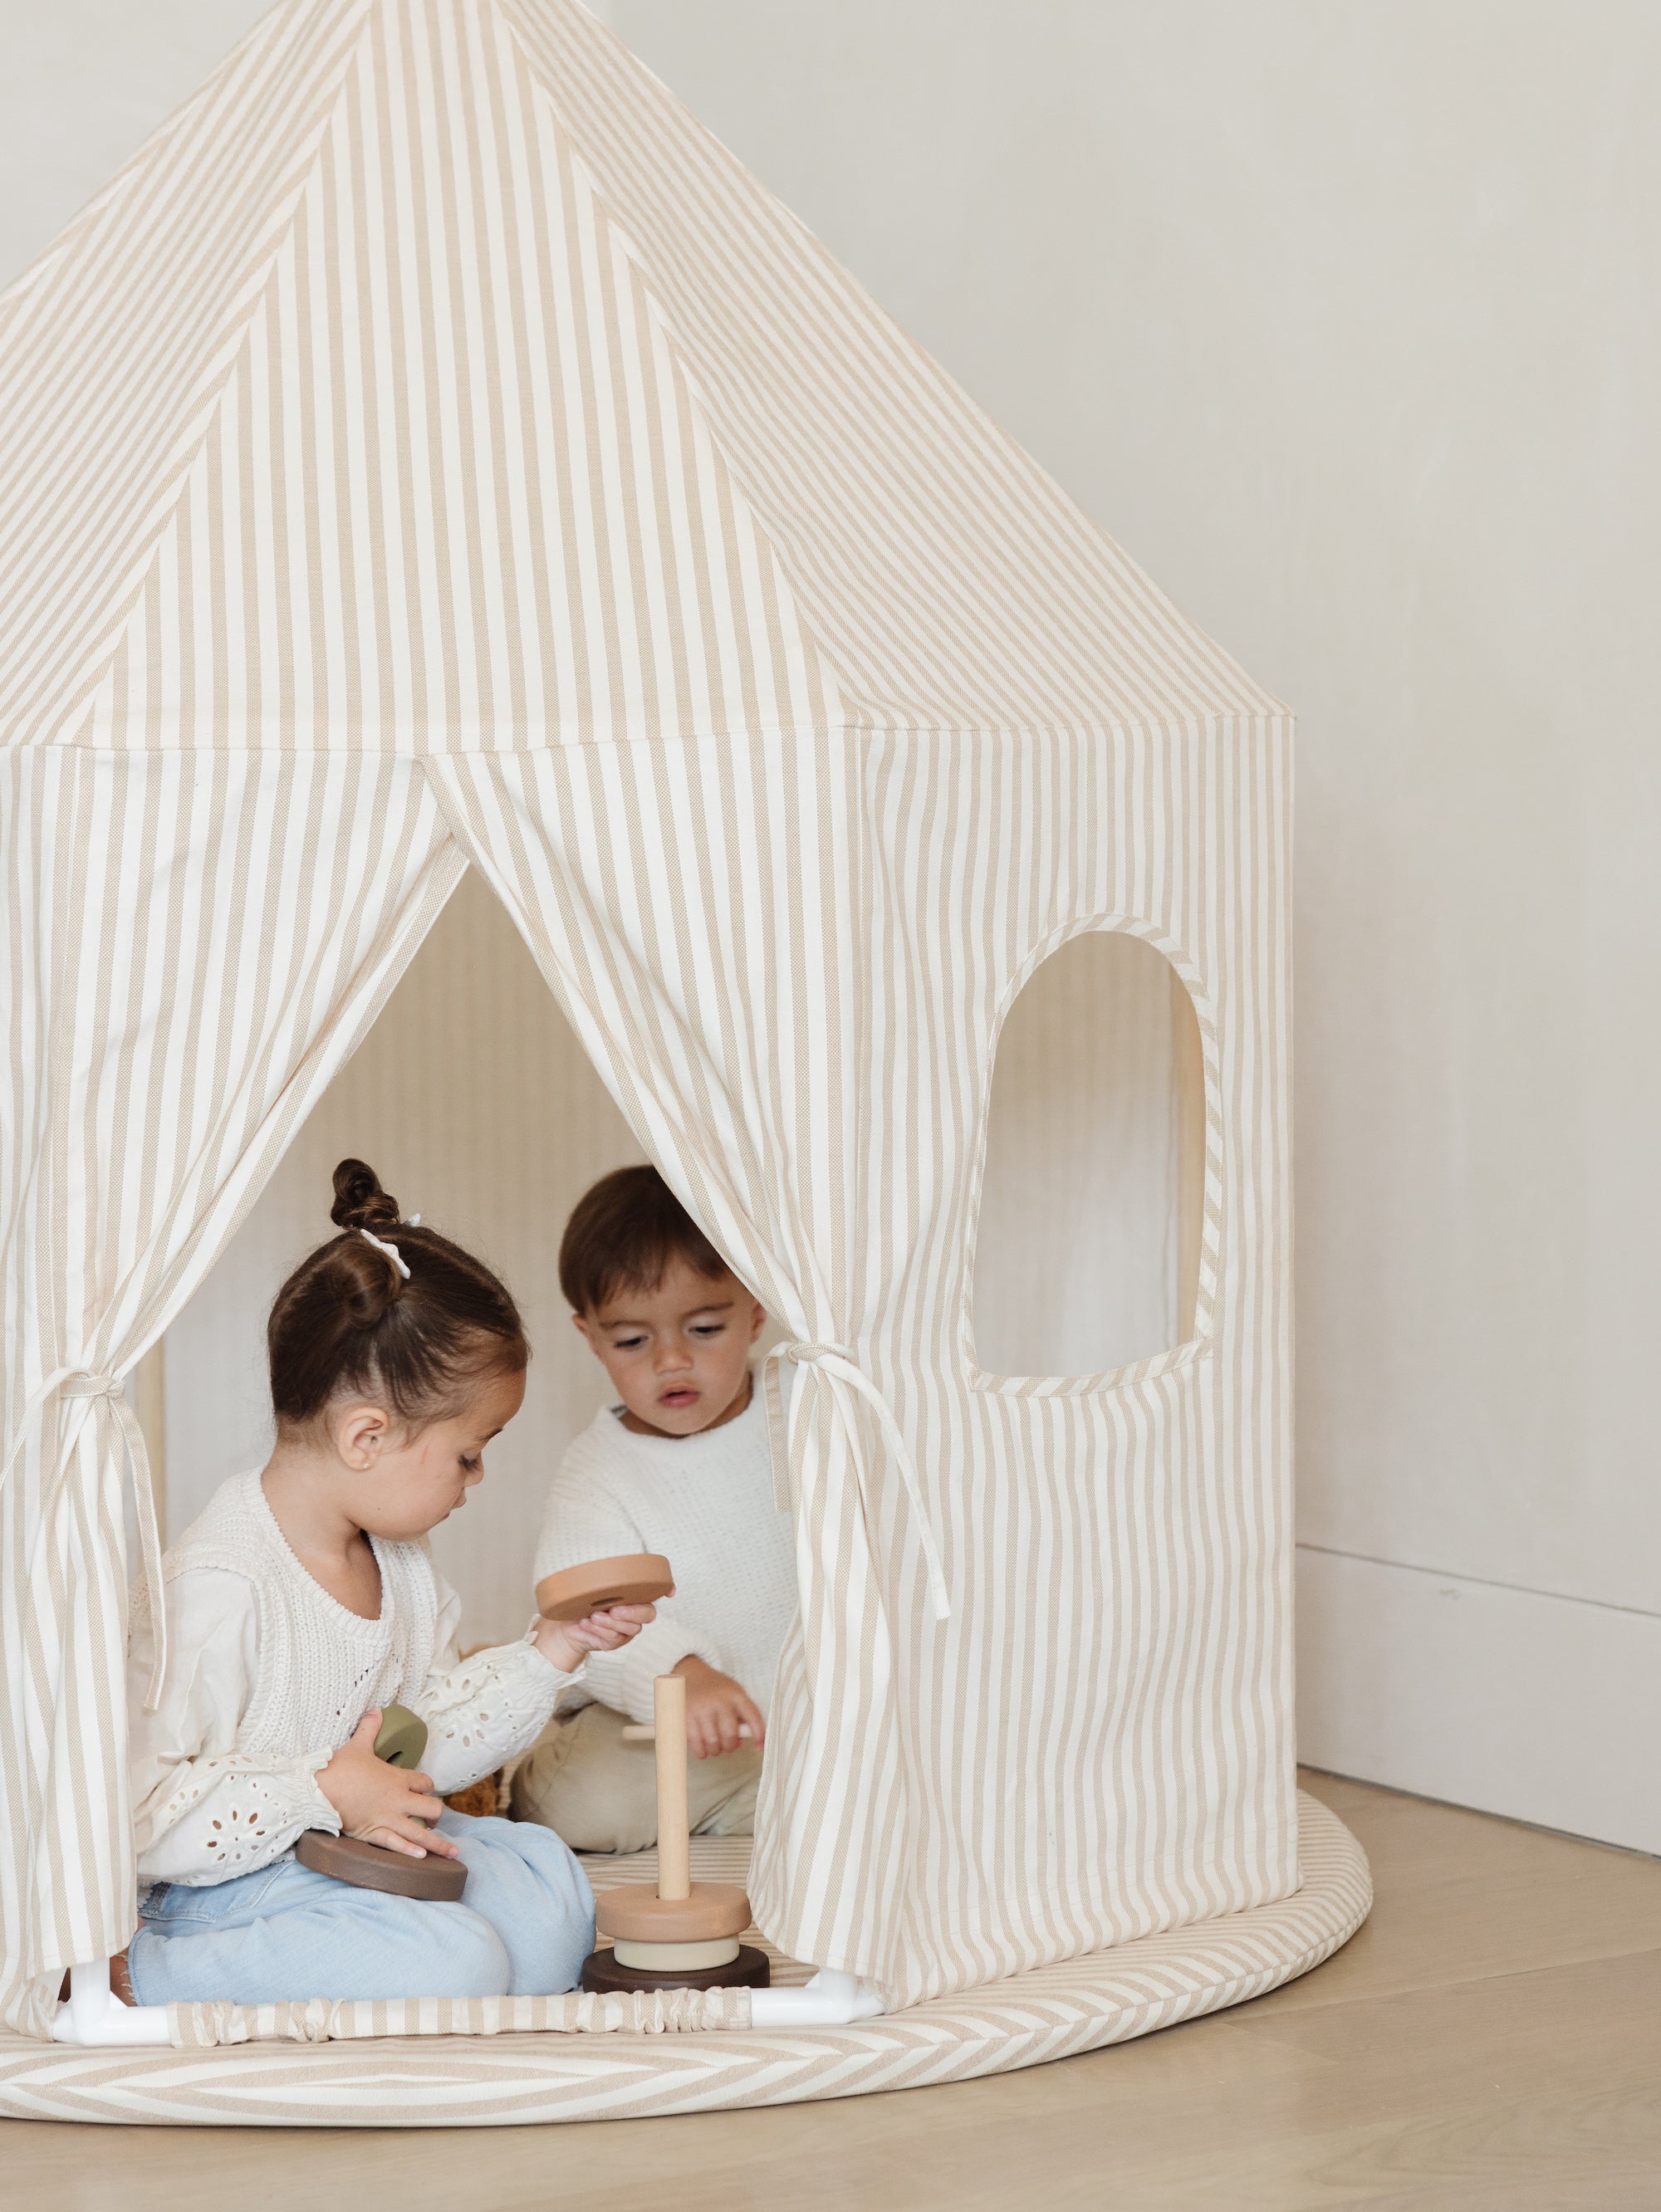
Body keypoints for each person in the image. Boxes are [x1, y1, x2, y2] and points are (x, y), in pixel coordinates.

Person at [120, 1159, 655, 2008]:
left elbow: (424, 1744)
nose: (474, 1481)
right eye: (468, 1454)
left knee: (548, 1900)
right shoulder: (219, 1588)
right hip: (221, 1893)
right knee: (454, 1962)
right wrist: (323, 1790)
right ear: (366, 1437)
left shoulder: (398, 1562)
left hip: (349, 1855)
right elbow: (139, 1819)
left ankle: (433, 1964)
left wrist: (552, 1650)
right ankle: (149, 1979)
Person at [511, 1167, 796, 1852]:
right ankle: (758, 1801)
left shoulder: (807, 1415)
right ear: (590, 1336)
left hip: (807, 1720)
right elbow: (584, 1615)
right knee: (574, 1801)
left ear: (755, 1310)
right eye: (633, 1342)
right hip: (664, 1727)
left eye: (703, 1327)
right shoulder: (597, 1470)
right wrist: (682, 1676)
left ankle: (781, 1795)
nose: (671, 1360)